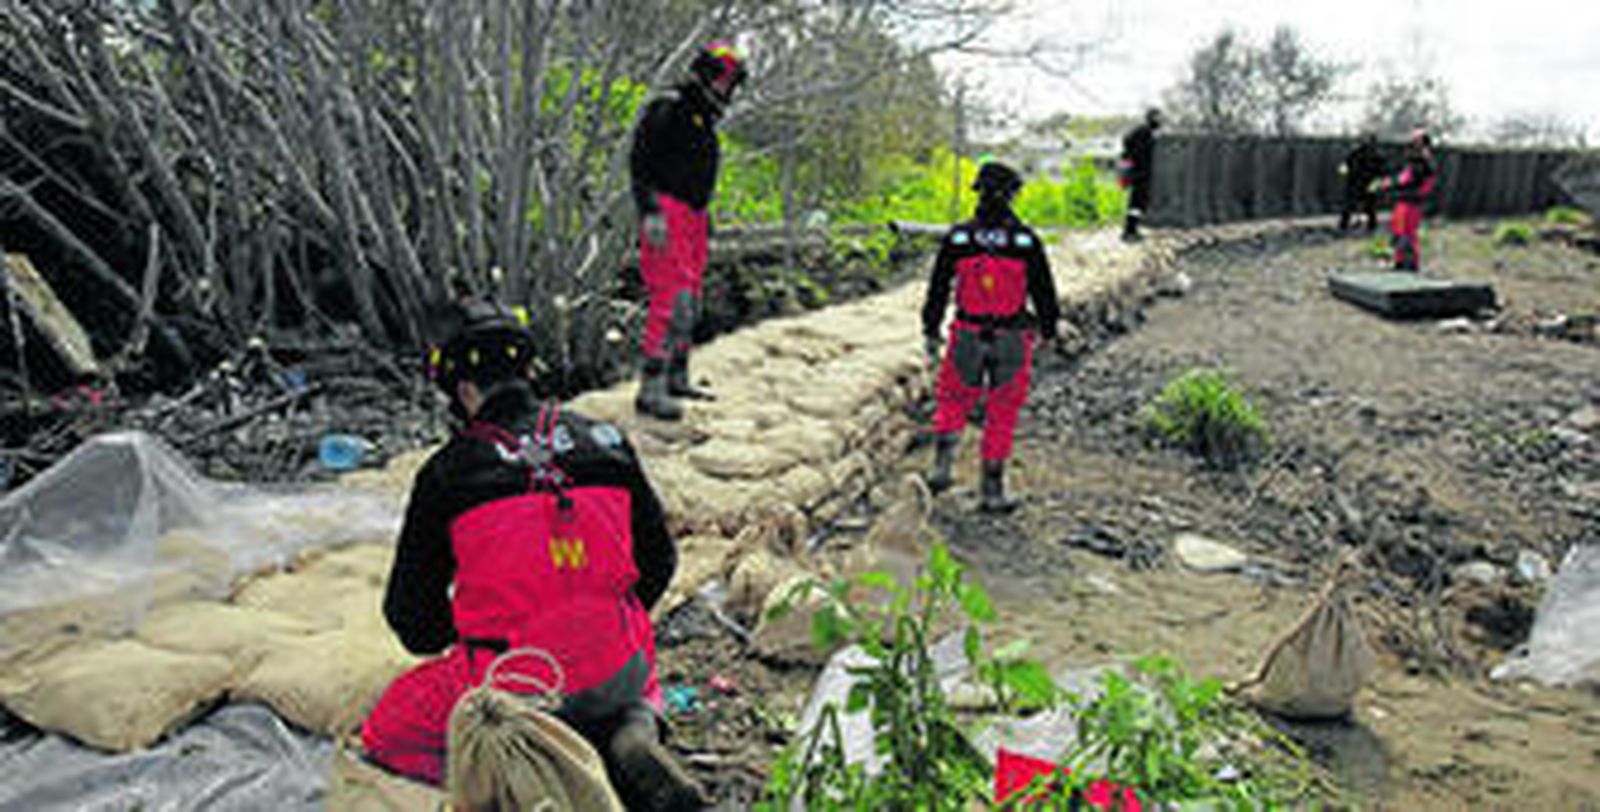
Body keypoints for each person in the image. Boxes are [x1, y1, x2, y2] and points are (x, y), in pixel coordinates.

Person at [361, 299, 706, 811]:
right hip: (622, 665)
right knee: (624, 655)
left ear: (462, 390)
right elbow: (659, 563)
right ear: (528, 369)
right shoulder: (608, 440)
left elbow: (413, 621)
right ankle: (628, 727)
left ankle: (532, 765)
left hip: (516, 682)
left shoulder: (445, 473)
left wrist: (465, 630)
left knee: (388, 728)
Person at [921, 162, 1060, 513]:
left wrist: (930, 329)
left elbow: (938, 287)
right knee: (1002, 409)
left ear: (977, 192)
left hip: (966, 333)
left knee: (952, 398)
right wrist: (1049, 329)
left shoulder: (958, 238)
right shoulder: (1025, 241)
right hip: (1012, 337)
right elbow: (1044, 291)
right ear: (1013, 194)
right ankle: (992, 490)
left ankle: (941, 468)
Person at [629, 41, 748, 421]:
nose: (728, 90)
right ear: (708, 75)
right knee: (670, 301)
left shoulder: (703, 118)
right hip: (666, 210)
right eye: (726, 81)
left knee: (692, 299)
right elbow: (640, 161)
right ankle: (651, 389)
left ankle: (677, 376)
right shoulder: (670, 108)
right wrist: (649, 210)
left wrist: (703, 215)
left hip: (693, 216)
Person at [1371, 129, 1438, 272]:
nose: (1412, 142)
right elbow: (1404, 177)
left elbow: (1408, 180)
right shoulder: (1416, 160)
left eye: (1416, 140)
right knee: (1398, 233)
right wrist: (1389, 183)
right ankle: (1400, 263)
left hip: (1412, 203)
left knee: (1406, 234)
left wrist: (1388, 184)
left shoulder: (1422, 161)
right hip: (1405, 201)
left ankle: (1409, 266)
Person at [1119, 108, 1162, 242]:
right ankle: (1129, 231)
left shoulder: (1146, 132)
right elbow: (1127, 142)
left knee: (1137, 204)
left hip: (1140, 173)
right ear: (1151, 118)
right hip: (1139, 174)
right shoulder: (1143, 132)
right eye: (1158, 118)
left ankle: (1132, 230)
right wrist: (1134, 160)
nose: (1160, 121)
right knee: (1136, 204)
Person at [1338, 133, 1386, 232]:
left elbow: (1381, 172)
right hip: (1356, 182)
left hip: (1366, 183)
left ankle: (1370, 226)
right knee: (1351, 205)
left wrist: (1376, 184)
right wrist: (1345, 170)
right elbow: (1345, 165)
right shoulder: (1356, 153)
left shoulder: (1376, 155)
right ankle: (1344, 225)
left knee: (1369, 206)